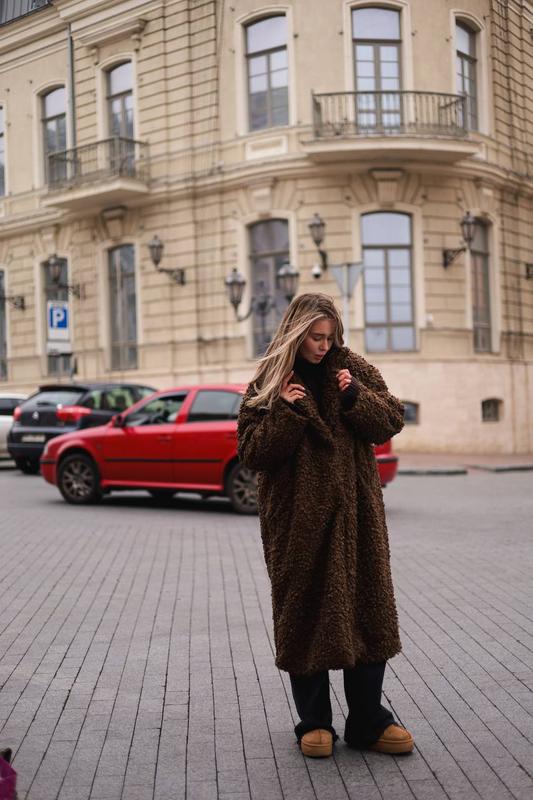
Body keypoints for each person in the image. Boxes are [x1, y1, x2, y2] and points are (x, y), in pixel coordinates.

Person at [237, 293, 413, 758]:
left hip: (357, 519)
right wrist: (285, 412)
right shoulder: (269, 381)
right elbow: (252, 453)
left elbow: (391, 419)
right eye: (315, 337)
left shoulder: (353, 369)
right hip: (298, 522)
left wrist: (355, 396)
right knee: (304, 614)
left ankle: (368, 721)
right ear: (296, 333)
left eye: (330, 337)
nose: (323, 345)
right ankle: (314, 722)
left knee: (368, 613)